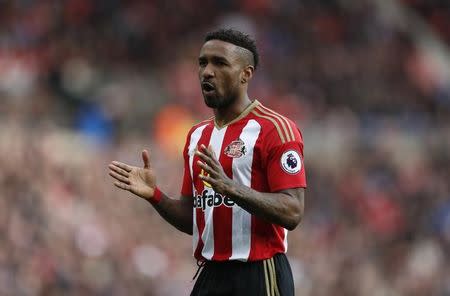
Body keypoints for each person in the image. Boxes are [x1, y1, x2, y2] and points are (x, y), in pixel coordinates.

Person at [108, 28, 306, 296]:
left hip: (259, 273)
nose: (207, 71)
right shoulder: (197, 135)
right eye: (203, 63)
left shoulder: (276, 129)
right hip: (211, 274)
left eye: (220, 63)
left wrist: (231, 188)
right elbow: (194, 219)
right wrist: (155, 196)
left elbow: (293, 211)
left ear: (246, 74)